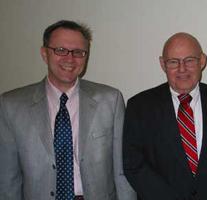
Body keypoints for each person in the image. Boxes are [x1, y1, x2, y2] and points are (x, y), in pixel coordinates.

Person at [0, 20, 135, 200]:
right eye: (60, 50)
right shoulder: (11, 106)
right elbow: (8, 179)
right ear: (44, 53)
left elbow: (122, 172)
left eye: (78, 52)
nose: (70, 59)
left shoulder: (110, 100)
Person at [123, 32, 207, 200]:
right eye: (173, 62)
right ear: (162, 64)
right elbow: (133, 164)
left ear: (202, 61)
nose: (182, 69)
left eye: (189, 60)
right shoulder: (139, 106)